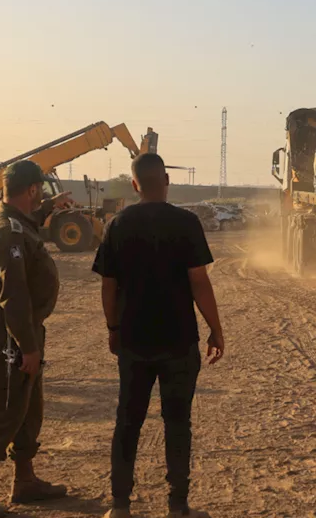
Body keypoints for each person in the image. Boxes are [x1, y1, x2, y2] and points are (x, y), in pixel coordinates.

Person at [93, 153, 225, 518]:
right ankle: (177, 506)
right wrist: (215, 328)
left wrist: (113, 328)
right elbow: (199, 282)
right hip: (179, 341)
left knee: (128, 421)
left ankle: (120, 506)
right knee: (178, 422)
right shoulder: (186, 223)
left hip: (134, 340)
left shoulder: (117, 224)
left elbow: (108, 286)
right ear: (166, 179)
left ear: (135, 184)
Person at [0, 160, 67, 516]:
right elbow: (14, 293)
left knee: (28, 408)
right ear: (33, 190)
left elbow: (30, 224)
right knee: (5, 406)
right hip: (12, 332)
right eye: (39, 193)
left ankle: (24, 480)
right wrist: (27, 346)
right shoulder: (6, 230)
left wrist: (51, 208)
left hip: (25, 328)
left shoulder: (17, 221)